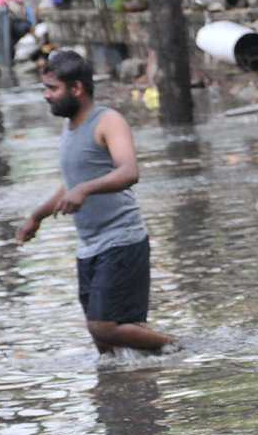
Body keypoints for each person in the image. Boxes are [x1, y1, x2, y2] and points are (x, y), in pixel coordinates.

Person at [15, 50, 175, 354]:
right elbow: (72, 185)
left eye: (52, 88)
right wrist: (36, 217)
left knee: (103, 326)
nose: (46, 96)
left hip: (122, 241)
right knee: (104, 341)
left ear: (77, 88)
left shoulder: (109, 121)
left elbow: (129, 171)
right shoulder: (69, 127)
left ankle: (180, 348)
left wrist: (85, 190)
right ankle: (126, 392)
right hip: (90, 246)